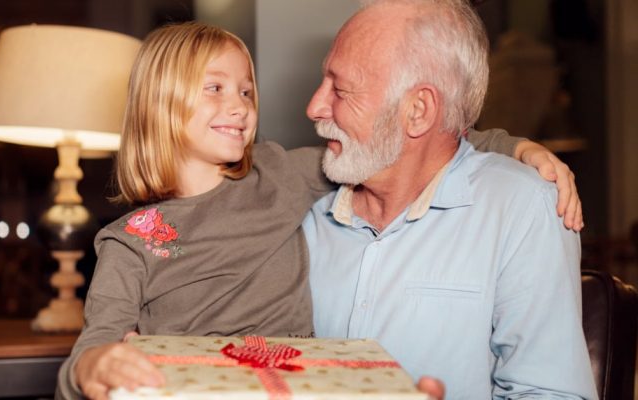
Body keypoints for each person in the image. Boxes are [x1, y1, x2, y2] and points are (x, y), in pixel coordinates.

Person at [56, 22, 582, 400]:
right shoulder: (131, 238)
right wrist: (93, 368)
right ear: (158, 106)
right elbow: (92, 349)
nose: (239, 106)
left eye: (245, 90)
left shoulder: (276, 174)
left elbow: (420, 142)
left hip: (303, 381)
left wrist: (514, 147)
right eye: (214, 89)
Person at [302, 0, 596, 399]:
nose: (314, 107)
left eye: (340, 89)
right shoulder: (301, 207)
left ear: (418, 111)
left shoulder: (520, 209)